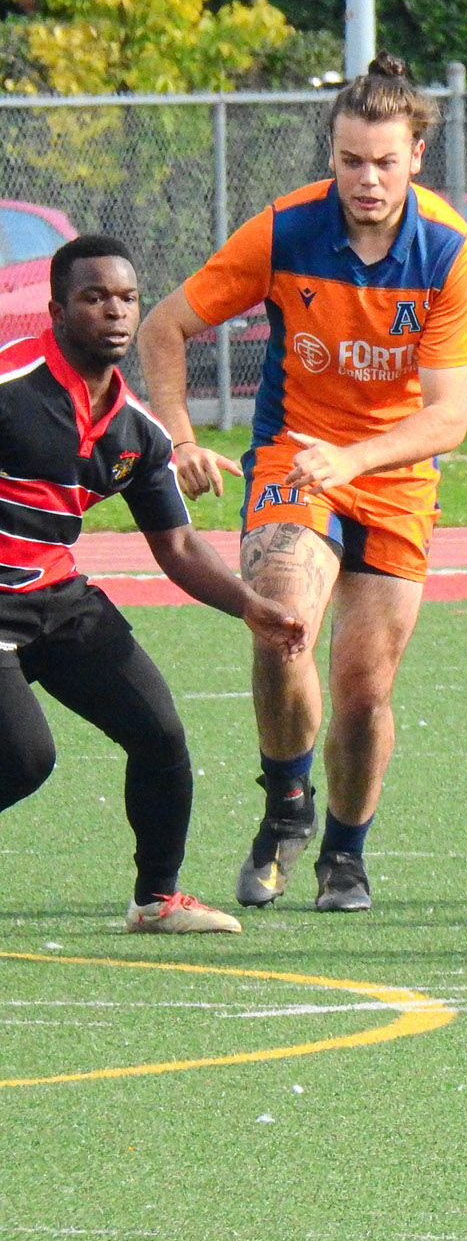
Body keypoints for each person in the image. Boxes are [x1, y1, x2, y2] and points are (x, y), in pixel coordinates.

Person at [135, 54, 467, 914]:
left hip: (393, 472)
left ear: (417, 158)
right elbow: (164, 326)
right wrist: (179, 437)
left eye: (384, 162)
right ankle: (284, 798)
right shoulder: (286, 230)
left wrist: (359, 459)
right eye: (350, 160)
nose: (366, 178)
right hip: (294, 457)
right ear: (332, 154)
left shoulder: (446, 251)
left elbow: (448, 418)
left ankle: (345, 854)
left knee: (366, 693)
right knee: (280, 619)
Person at [1, 236, 305, 933]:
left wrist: (251, 606)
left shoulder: (138, 429)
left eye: (128, 298)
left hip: (55, 598)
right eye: (93, 296)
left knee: (159, 732)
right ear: (55, 310)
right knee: (24, 758)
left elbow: (176, 545)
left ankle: (156, 900)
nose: (115, 311)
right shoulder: (11, 387)